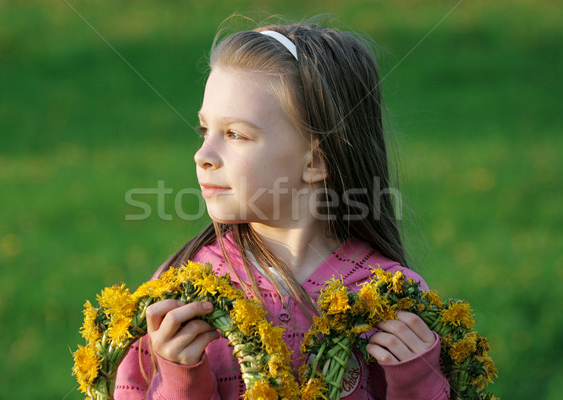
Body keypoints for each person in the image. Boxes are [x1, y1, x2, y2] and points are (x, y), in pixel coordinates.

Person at [115, 21, 450, 400]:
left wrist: (416, 384)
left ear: (315, 160)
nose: (203, 155)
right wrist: (181, 381)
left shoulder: (389, 300)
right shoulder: (182, 292)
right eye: (204, 130)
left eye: (235, 134)